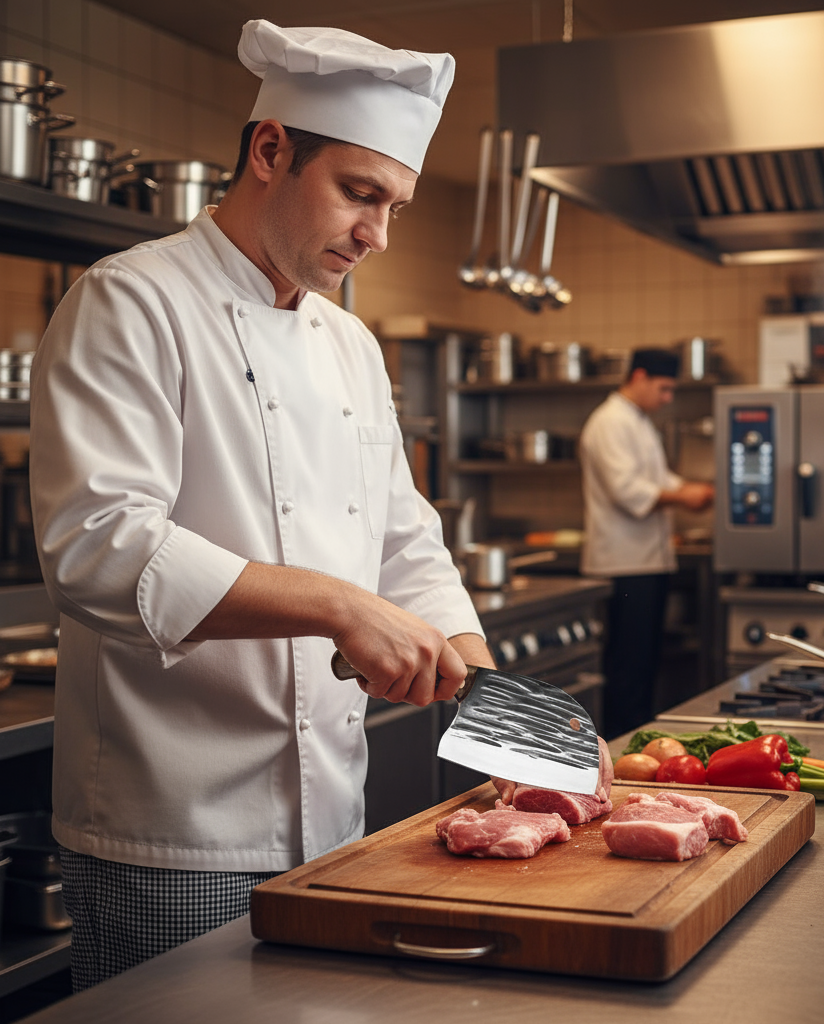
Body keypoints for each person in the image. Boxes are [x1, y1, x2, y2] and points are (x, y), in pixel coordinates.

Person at [29, 20, 493, 991]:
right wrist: (338, 605)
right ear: (270, 151)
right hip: (172, 832)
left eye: (394, 206)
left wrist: (486, 684)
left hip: (333, 815)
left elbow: (402, 533)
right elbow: (101, 548)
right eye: (359, 193)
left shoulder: (349, 344)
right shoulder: (131, 301)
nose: (375, 232)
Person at [578, 348, 714, 738]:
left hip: (647, 562)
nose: (668, 398)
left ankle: (637, 745)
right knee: (628, 669)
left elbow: (658, 478)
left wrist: (693, 490)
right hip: (623, 565)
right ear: (639, 376)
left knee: (644, 662)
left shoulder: (638, 421)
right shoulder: (608, 422)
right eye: (665, 388)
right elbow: (627, 490)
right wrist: (682, 496)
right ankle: (623, 748)